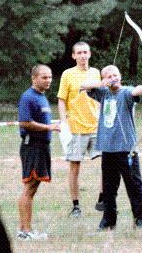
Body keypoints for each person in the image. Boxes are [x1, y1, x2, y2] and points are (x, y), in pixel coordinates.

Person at [81, 60, 142, 230]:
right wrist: (102, 83)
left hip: (126, 149)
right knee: (108, 188)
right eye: (109, 76)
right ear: (104, 79)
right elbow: (82, 86)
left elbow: (138, 90)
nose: (113, 78)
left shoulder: (126, 92)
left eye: (115, 75)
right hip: (108, 148)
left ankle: (141, 220)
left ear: (120, 77)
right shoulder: (103, 92)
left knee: (134, 186)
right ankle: (108, 221)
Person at [57, 41, 103, 218]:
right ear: (73, 56)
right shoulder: (67, 74)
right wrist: (64, 122)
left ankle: (102, 199)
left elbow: (100, 96)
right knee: (75, 167)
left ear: (90, 54)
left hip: (96, 127)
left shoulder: (95, 73)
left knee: (107, 163)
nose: (83, 55)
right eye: (79, 53)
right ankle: (76, 206)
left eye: (86, 52)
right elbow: (61, 99)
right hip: (76, 128)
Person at [17, 65, 60, 240]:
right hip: (32, 146)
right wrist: (49, 127)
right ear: (34, 78)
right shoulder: (28, 97)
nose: (48, 80)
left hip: (42, 147)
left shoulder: (41, 97)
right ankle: (26, 232)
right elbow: (25, 122)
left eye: (49, 77)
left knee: (32, 189)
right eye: (44, 77)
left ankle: (23, 230)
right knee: (29, 187)